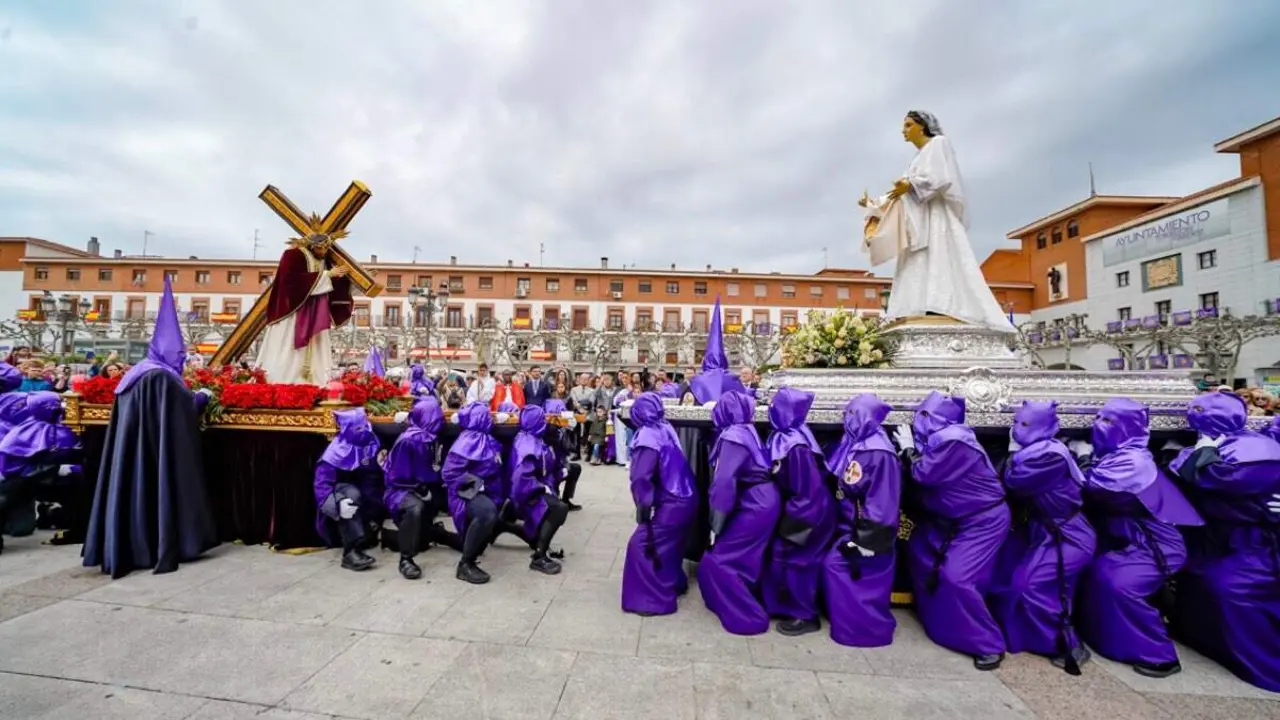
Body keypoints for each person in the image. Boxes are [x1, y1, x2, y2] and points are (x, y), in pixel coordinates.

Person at [83, 278, 219, 578]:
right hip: (157, 452)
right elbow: (182, 412)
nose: (181, 360)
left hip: (130, 452)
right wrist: (202, 397)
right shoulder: (164, 378)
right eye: (180, 356)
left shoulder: (134, 374)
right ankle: (162, 542)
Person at [1069, 398, 1203, 678]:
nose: (1098, 426)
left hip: (1155, 546)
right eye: (1098, 418)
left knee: (1117, 583)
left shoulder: (1134, 461)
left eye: (1108, 422)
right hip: (1129, 541)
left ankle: (1158, 654)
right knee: (1097, 573)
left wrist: (1078, 458)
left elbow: (1092, 488)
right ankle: (1110, 640)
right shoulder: (1114, 455)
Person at [1166, 392, 1280, 691]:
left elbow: (1220, 478)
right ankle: (1201, 638)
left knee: (1232, 589)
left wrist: (1202, 456)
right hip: (1213, 536)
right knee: (1197, 580)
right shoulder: (1203, 448)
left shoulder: (1258, 450)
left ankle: (1264, 660)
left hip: (1252, 541)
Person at [860, 111, 1012, 331]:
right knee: (917, 261)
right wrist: (873, 203)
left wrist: (911, 185)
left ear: (922, 126)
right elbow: (900, 192)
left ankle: (941, 303)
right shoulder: (916, 158)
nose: (904, 130)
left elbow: (942, 178)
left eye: (909, 125)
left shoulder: (939, 144)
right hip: (917, 218)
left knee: (939, 255)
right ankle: (918, 305)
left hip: (936, 215)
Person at [892, 390, 1009, 670]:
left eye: (925, 416)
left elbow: (924, 473)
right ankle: (940, 622)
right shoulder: (939, 438)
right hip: (947, 520)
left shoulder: (955, 439)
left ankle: (987, 643)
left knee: (958, 577)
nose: (919, 420)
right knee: (921, 553)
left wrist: (908, 450)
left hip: (981, 521)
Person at [988, 401, 1096, 674]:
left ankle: (1065, 644)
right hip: (1045, 531)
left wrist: (1011, 455)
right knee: (1015, 580)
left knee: (1032, 586)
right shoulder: (1037, 451)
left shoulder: (1050, 456)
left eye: (1025, 425)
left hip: (1068, 535)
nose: (1016, 430)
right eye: (1015, 423)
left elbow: (1015, 482)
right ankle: (1035, 639)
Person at [821, 394, 901, 647]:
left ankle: (865, 631)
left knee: (850, 573)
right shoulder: (857, 443)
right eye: (849, 413)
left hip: (866, 532)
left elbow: (883, 499)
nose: (849, 420)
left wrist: (867, 540)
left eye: (856, 415)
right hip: (850, 525)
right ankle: (851, 623)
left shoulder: (878, 452)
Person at [697, 391, 780, 635]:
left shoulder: (733, 436)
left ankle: (746, 614)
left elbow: (724, 482)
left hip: (754, 503)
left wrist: (717, 520)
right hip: (761, 499)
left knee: (721, 560)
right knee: (744, 556)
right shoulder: (746, 429)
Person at [761, 388, 835, 636]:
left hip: (809, 510)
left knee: (800, 560)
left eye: (775, 406)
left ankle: (806, 615)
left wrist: (795, 522)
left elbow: (808, 489)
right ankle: (782, 604)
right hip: (803, 506)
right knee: (782, 555)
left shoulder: (795, 446)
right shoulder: (790, 436)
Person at [621, 393, 699, 616]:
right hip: (687, 496)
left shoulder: (647, 436)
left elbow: (640, 477)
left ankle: (651, 599)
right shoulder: (665, 427)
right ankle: (673, 583)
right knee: (669, 545)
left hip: (673, 500)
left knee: (640, 545)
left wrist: (643, 505)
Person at [255, 232, 355, 384]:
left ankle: (318, 382)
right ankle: (283, 381)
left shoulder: (324, 260)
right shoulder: (292, 255)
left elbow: (333, 283)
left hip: (317, 312)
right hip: (293, 312)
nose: (323, 252)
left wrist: (353, 280)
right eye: (320, 248)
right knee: (286, 348)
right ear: (311, 245)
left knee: (318, 349)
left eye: (326, 248)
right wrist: (326, 275)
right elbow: (289, 282)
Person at [383, 397, 462, 580]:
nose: (440, 419)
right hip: (403, 489)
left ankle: (435, 533)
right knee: (414, 508)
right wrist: (419, 488)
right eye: (436, 415)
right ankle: (405, 559)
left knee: (459, 499)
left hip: (430, 487)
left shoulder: (436, 436)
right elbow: (396, 476)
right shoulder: (407, 440)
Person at [0, 393, 82, 555]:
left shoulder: (63, 425)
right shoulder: (25, 430)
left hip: (46, 479)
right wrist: (56, 469)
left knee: (22, 529)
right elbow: (13, 462)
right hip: (19, 481)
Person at [313, 408, 383, 571]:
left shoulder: (371, 442)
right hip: (342, 493)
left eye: (365, 424)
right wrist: (337, 505)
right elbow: (322, 484)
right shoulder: (335, 452)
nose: (364, 430)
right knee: (351, 497)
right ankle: (350, 552)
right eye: (358, 428)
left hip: (367, 494)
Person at [441, 402, 503, 584]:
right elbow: (450, 473)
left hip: (484, 491)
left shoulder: (485, 438)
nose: (491, 418)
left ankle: (443, 536)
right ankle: (465, 565)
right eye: (487, 416)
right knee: (487, 513)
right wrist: (479, 485)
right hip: (465, 493)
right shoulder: (467, 441)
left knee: (490, 519)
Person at [509, 406, 571, 575]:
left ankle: (505, 525)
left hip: (533, 488)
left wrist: (556, 476)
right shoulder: (527, 444)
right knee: (558, 509)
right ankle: (539, 556)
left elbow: (545, 467)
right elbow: (521, 479)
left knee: (557, 506)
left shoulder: (534, 438)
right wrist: (542, 487)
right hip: (527, 493)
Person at [544, 399, 583, 510]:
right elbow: (559, 444)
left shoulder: (560, 428)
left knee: (575, 468)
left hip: (559, 464)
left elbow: (570, 448)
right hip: (549, 469)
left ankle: (566, 500)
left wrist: (571, 430)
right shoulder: (547, 429)